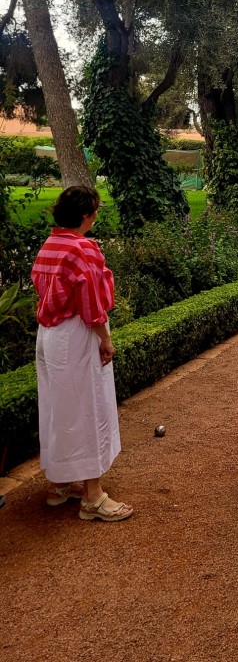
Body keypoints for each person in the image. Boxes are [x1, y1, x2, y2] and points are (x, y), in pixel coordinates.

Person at [32, 186, 133, 522]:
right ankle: (93, 496)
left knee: (57, 407)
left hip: (49, 336)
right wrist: (106, 338)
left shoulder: (51, 244)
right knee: (89, 407)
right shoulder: (82, 248)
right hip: (77, 333)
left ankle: (59, 483)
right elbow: (91, 305)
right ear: (87, 214)